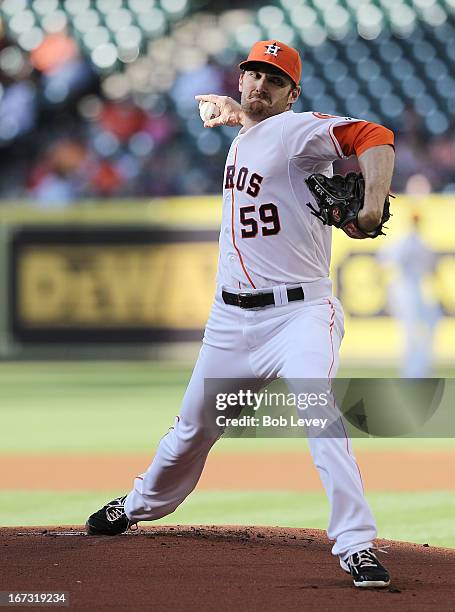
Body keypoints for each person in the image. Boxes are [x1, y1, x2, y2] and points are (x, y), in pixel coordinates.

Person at [86, 40, 395, 589]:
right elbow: (258, 128)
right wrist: (239, 114)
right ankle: (138, 504)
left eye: (274, 81)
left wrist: (372, 199)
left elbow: (373, 136)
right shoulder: (251, 132)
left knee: (320, 416)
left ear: (292, 94)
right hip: (231, 322)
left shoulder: (297, 130)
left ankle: (355, 544)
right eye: (253, 75)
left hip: (300, 315)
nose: (260, 85)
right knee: (191, 428)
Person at [378, 213, 441, 377]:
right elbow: (386, 261)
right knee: (410, 330)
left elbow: (431, 268)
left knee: (426, 325)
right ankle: (411, 370)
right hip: (404, 287)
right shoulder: (405, 241)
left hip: (416, 288)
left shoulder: (420, 242)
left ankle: (420, 366)